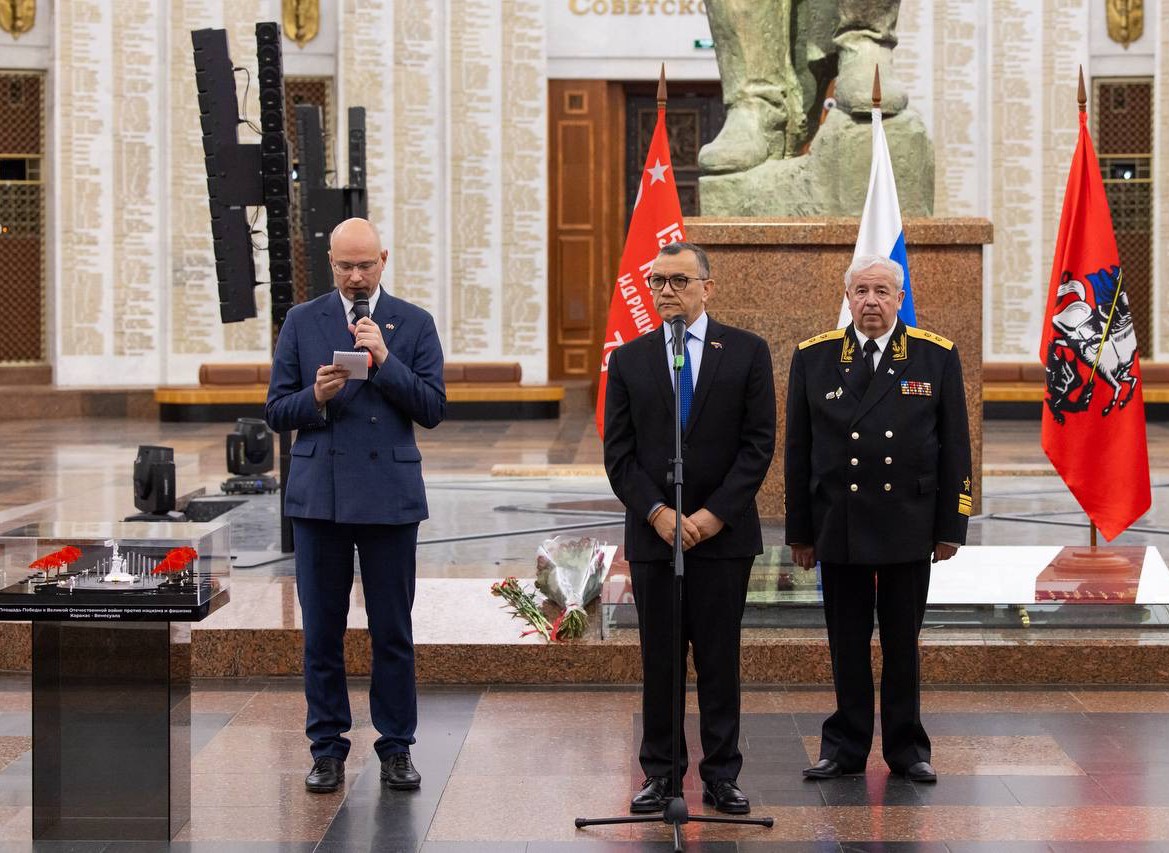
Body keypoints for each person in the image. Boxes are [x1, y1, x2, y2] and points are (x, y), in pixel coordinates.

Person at [265, 217, 446, 794]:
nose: (355, 276)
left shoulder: (413, 323)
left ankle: (396, 746)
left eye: (365, 265)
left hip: (389, 498)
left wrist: (386, 361)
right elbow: (275, 410)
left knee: (392, 628)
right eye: (345, 266)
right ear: (331, 264)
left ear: (384, 260)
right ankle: (327, 748)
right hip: (322, 499)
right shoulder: (302, 320)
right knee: (322, 631)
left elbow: (433, 408)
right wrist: (314, 397)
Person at [784, 255, 971, 784]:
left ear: (899, 298)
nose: (871, 301)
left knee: (901, 643)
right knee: (845, 642)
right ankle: (844, 747)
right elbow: (799, 452)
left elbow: (956, 448)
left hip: (907, 524)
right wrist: (800, 532)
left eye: (882, 292)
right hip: (839, 524)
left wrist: (950, 527)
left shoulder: (935, 357)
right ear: (847, 298)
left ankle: (908, 749)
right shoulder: (815, 357)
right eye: (861, 291)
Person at [603, 241, 775, 815]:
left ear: (708, 286)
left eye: (678, 280)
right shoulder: (629, 360)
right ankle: (661, 774)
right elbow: (619, 455)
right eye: (657, 282)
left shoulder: (747, 352)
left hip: (722, 538)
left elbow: (758, 445)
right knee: (661, 660)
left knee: (719, 659)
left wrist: (709, 516)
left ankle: (722, 774)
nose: (666, 291)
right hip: (655, 537)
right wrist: (658, 512)